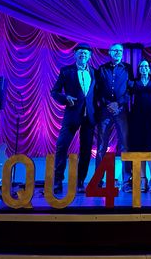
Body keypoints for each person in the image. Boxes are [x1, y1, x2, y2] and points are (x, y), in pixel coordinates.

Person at [50, 43, 96, 194]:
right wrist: (65, 98)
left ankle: (80, 181)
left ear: (89, 56)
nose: (83, 54)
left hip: (89, 117)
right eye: (80, 52)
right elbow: (55, 92)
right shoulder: (66, 71)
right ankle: (57, 181)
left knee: (86, 150)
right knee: (62, 146)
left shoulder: (94, 72)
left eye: (86, 53)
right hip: (72, 115)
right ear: (75, 54)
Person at [95, 43, 134, 192]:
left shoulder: (127, 68)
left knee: (125, 145)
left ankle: (126, 181)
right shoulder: (102, 69)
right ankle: (98, 181)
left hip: (121, 111)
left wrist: (118, 103)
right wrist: (107, 104)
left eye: (120, 51)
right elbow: (97, 90)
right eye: (115, 50)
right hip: (105, 111)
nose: (118, 52)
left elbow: (130, 89)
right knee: (101, 146)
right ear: (109, 52)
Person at [128, 59, 151, 193]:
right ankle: (143, 179)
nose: (144, 68)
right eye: (141, 66)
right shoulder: (133, 82)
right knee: (140, 149)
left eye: (146, 66)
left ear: (149, 68)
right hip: (137, 118)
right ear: (139, 69)